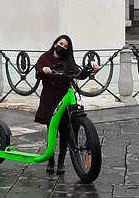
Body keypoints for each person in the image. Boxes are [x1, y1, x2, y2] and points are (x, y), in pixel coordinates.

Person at [34, 35, 99, 174]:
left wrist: (91, 69)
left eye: (65, 46)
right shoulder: (45, 58)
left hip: (63, 97)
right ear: (55, 43)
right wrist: (44, 70)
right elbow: (38, 72)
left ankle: (61, 162)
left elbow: (79, 74)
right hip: (50, 98)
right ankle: (50, 161)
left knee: (64, 131)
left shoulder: (67, 61)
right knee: (51, 130)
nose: (62, 47)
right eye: (61, 43)